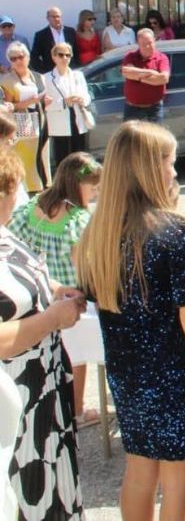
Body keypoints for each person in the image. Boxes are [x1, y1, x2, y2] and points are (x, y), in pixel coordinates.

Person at [78, 121, 185, 521]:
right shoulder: (174, 232)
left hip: (129, 376)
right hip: (177, 377)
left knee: (140, 473)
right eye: (170, 162)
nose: (174, 172)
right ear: (149, 168)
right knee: (181, 485)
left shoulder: (100, 232)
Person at [0, 146, 86, 521]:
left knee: (54, 497)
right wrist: (51, 320)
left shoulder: (4, 232)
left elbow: (17, 277)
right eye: (16, 189)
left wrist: (54, 289)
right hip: (13, 406)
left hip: (44, 397)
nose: (21, 198)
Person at [8, 152, 102, 426]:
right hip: (67, 296)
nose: (95, 194)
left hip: (34, 292)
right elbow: (82, 264)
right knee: (77, 355)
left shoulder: (33, 206)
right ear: (77, 184)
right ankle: (77, 409)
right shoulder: (77, 220)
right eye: (93, 188)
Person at [1, 41, 51, 192]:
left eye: (20, 57)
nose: (18, 61)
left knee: (42, 156)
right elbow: (8, 107)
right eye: (13, 58)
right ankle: (29, 192)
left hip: (41, 120)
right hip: (22, 124)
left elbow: (43, 97)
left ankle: (43, 189)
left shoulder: (39, 77)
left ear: (28, 57)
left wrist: (44, 101)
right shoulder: (6, 80)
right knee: (27, 159)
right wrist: (30, 101)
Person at [43, 42, 93, 166]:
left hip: (78, 118)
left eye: (68, 55)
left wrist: (82, 99)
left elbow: (87, 96)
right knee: (62, 158)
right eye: (61, 55)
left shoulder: (78, 75)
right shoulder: (46, 78)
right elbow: (45, 104)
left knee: (81, 157)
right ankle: (64, 179)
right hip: (60, 122)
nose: (65, 58)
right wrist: (63, 102)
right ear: (54, 57)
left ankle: (82, 177)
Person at [121, 28, 170, 123]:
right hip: (132, 110)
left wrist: (137, 76)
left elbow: (163, 79)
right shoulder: (130, 56)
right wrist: (151, 73)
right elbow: (126, 72)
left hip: (154, 110)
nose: (147, 46)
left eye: (150, 43)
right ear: (138, 44)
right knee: (129, 134)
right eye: (144, 44)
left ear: (154, 41)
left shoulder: (162, 58)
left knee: (155, 133)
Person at [30, 6, 78, 73]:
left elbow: (76, 51)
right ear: (48, 18)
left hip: (70, 71)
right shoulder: (41, 35)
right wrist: (43, 71)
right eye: (53, 17)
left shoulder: (70, 31)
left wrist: (76, 66)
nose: (57, 19)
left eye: (58, 16)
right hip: (51, 72)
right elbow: (34, 57)